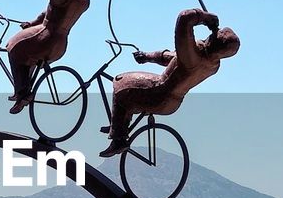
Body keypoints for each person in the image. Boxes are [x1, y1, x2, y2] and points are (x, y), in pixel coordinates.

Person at [98, 8, 240, 156]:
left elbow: (184, 18)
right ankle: (118, 124)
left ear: (213, 41)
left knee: (122, 84)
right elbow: (173, 57)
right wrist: (147, 56)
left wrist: (204, 17)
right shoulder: (213, 66)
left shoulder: (194, 58)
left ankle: (118, 140)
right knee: (133, 94)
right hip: (172, 104)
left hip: (158, 94)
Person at [6, 0, 100, 113]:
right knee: (29, 55)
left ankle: (22, 93)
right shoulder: (85, 1)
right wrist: (32, 23)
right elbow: (50, 12)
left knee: (14, 47)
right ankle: (24, 88)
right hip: (61, 45)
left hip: (45, 37)